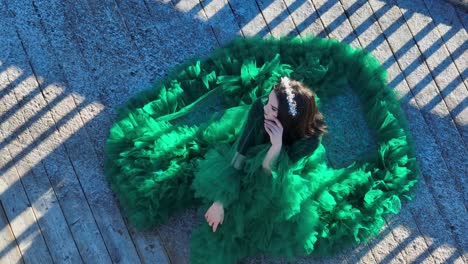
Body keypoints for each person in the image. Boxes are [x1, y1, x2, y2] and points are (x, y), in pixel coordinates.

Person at [189, 76, 328, 263]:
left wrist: (276, 147)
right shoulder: (259, 109)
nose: (265, 108)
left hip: (276, 173)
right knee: (228, 207)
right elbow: (241, 151)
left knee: (262, 209)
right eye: (268, 101)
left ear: (286, 120)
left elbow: (270, 174)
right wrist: (220, 200)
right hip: (249, 156)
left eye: (272, 108)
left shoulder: (309, 140)